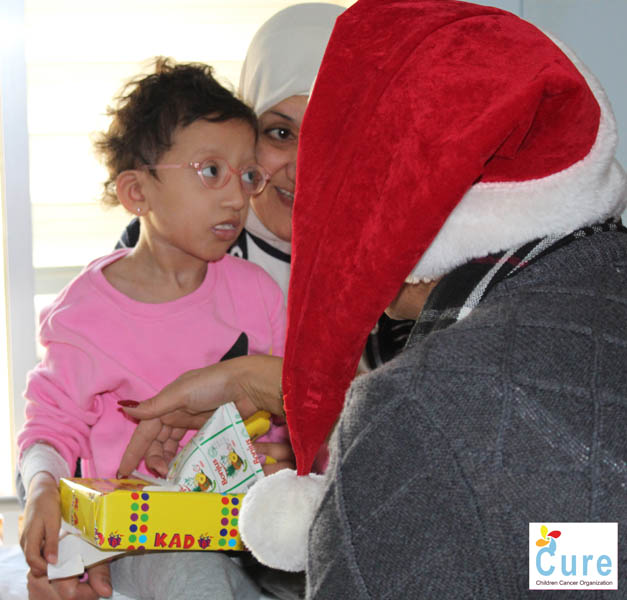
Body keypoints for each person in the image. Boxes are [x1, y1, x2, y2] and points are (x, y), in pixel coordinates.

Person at [119, 0, 627, 597]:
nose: (309, 168)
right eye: (280, 132)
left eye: (337, 142)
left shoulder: (422, 371)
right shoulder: (168, 246)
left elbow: (556, 544)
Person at [17, 58, 286, 600]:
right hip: (138, 543)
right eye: (211, 171)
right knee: (195, 580)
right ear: (137, 193)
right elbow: (50, 426)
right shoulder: (86, 312)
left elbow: (291, 417)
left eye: (247, 175)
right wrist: (43, 486)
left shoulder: (258, 293)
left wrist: (284, 455)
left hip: (246, 530)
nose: (237, 198)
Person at [117, 2, 411, 371]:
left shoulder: (404, 256)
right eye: (280, 133)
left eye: (332, 138)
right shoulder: (171, 239)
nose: (301, 170)